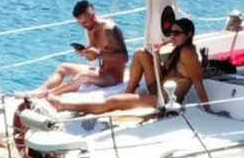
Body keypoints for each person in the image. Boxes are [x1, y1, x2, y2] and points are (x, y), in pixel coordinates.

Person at [46, 18, 220, 116]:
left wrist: (209, 110)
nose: (172, 36)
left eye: (176, 33)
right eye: (171, 32)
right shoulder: (179, 49)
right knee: (141, 53)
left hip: (164, 99)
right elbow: (163, 73)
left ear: (188, 35)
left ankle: (64, 105)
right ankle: (128, 94)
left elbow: (198, 82)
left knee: (113, 102)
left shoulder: (188, 53)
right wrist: (157, 54)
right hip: (158, 87)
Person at [30, 0, 128, 97]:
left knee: (83, 76)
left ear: (93, 16)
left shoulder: (109, 30)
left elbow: (124, 58)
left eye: (85, 22)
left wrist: (100, 55)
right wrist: (85, 52)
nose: (83, 26)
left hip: (113, 77)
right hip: (101, 71)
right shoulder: (90, 29)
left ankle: (47, 95)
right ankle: (39, 91)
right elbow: (92, 57)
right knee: (63, 67)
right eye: (80, 23)